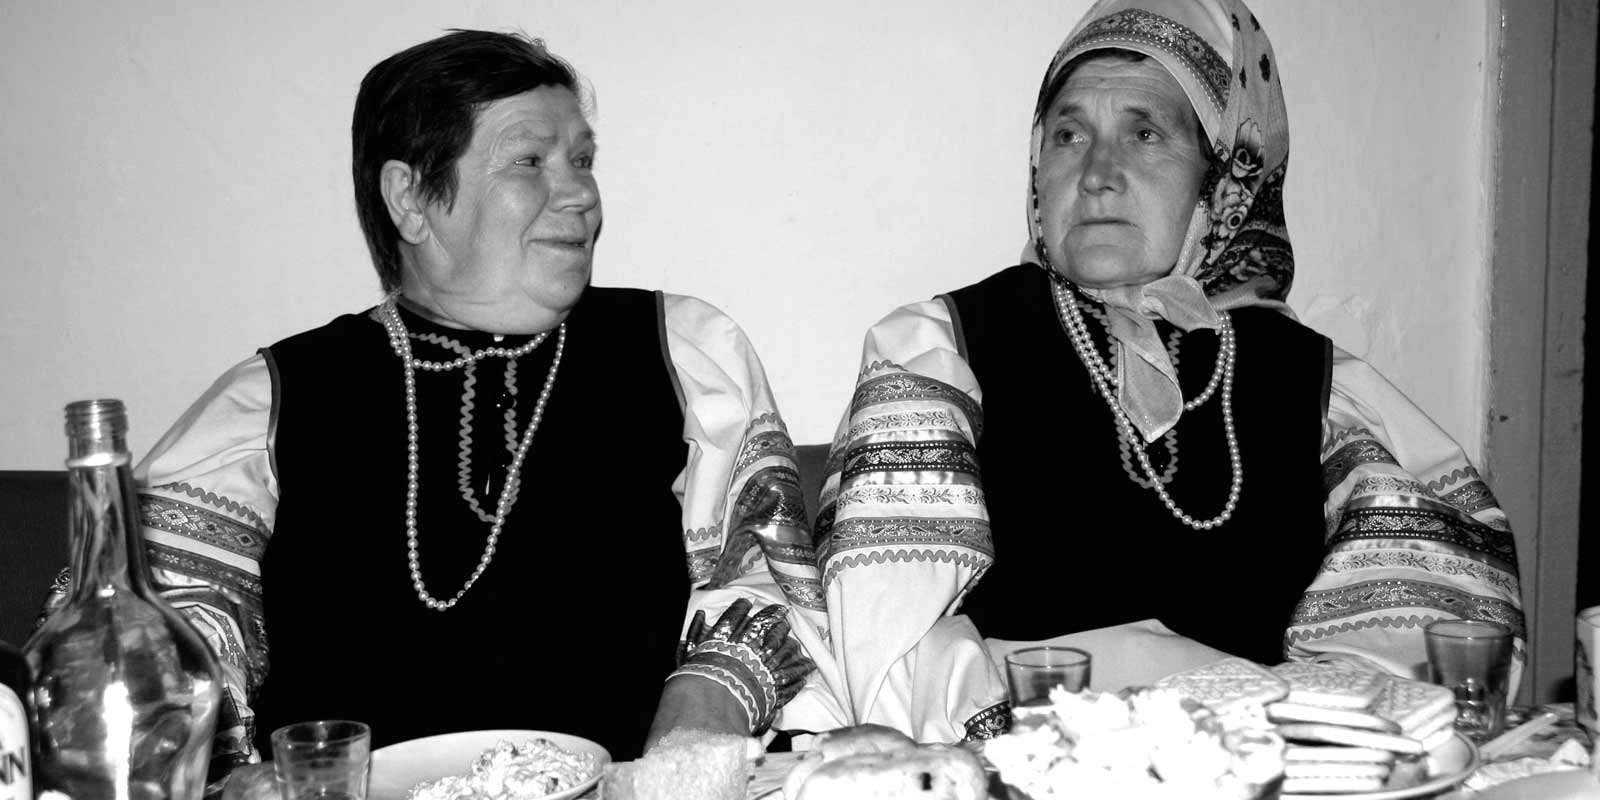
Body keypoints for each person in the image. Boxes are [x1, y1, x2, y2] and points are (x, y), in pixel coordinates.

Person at [39, 29, 826, 785]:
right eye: (531, 160)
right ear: (412, 198)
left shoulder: (676, 349)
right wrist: (243, 776)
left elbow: (762, 577)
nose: (581, 193)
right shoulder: (273, 398)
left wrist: (684, 752)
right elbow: (149, 639)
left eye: (582, 159)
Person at [812, 0, 1527, 739]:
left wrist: (1267, 732)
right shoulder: (944, 351)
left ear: (1220, 183)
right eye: (1068, 135)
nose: (1096, 174)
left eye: (1145, 134)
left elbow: (1429, 647)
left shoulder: (1314, 385)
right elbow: (886, 643)